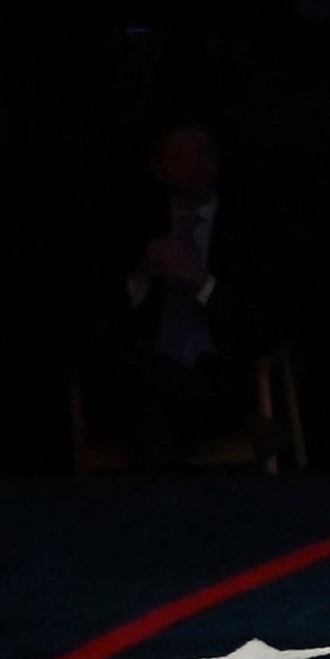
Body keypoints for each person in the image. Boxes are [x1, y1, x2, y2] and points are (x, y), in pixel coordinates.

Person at [101, 120, 274, 469]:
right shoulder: (135, 227)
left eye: (203, 153)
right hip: (146, 379)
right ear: (158, 168)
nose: (194, 165)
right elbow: (104, 320)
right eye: (179, 156)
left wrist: (202, 282)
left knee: (153, 410)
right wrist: (143, 275)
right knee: (148, 396)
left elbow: (261, 324)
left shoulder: (249, 228)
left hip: (216, 379)